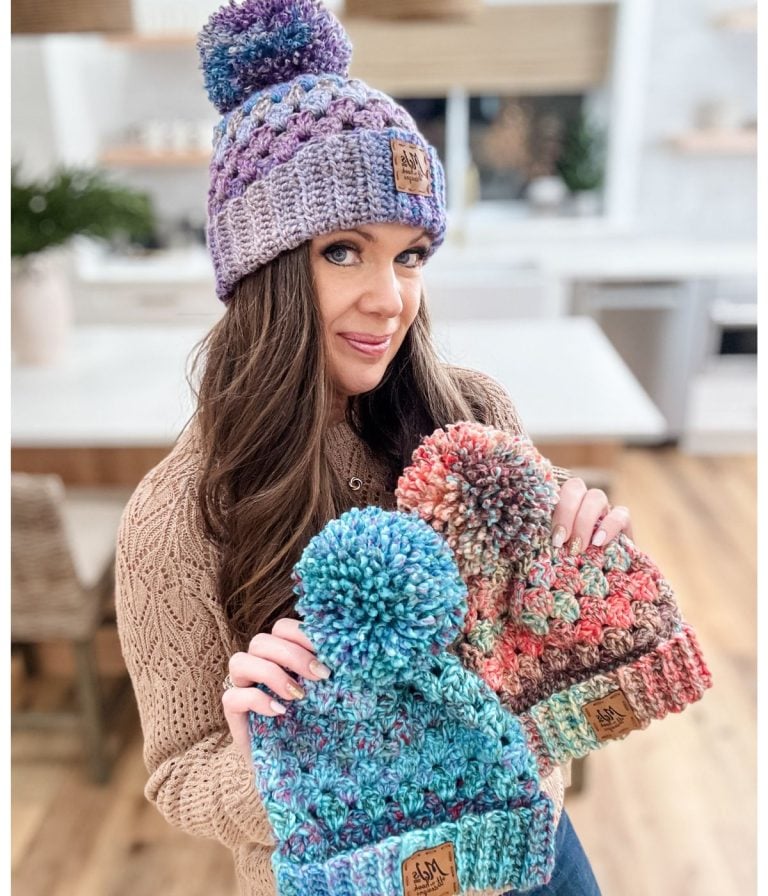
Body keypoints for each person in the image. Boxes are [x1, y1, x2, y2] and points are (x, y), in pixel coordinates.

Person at [115, 2, 633, 894]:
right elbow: (178, 776)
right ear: (264, 268)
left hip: (531, 856)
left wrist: (572, 573)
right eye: (345, 251)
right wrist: (272, 759)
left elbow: (547, 682)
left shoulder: (473, 414)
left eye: (411, 255)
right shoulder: (178, 516)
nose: (390, 298)